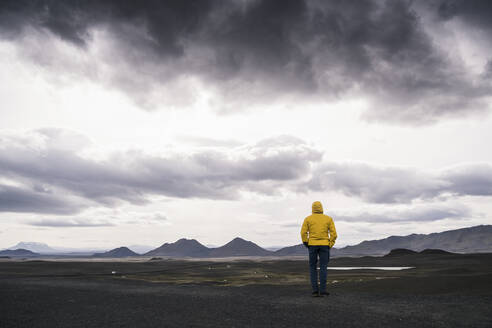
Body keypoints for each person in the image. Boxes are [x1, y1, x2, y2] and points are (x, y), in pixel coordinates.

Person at [300, 201, 337, 297]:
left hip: (312, 245)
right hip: (324, 245)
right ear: (321, 208)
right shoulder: (328, 219)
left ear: (312, 208)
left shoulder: (308, 219)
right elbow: (334, 234)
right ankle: (323, 291)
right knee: (323, 267)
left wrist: (306, 243)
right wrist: (330, 244)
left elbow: (303, 233)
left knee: (312, 267)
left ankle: (315, 291)